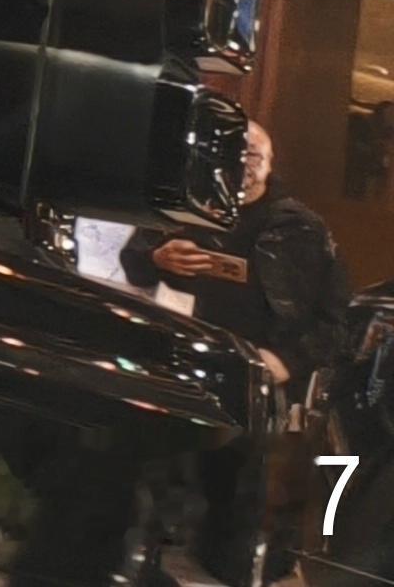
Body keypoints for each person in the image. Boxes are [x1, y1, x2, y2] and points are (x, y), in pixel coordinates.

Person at [126, 121, 350, 585]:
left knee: (237, 531)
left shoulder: (299, 228)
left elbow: (334, 324)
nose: (242, 164)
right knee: (150, 502)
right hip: (180, 372)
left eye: (253, 154)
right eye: (232, 153)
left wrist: (284, 362)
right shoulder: (185, 209)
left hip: (257, 387)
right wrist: (156, 258)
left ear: (270, 161)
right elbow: (135, 264)